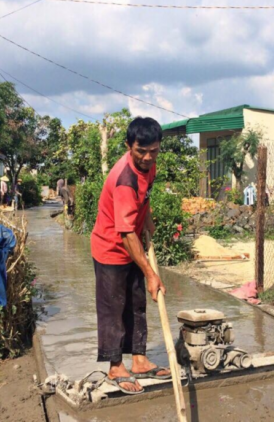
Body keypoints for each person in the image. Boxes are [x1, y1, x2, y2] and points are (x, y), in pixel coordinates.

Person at [90, 117, 170, 395]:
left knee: (136, 305)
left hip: (133, 241)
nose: (148, 157)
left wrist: (147, 218)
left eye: (154, 151)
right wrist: (151, 273)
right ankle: (115, 366)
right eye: (141, 151)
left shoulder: (150, 165)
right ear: (129, 146)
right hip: (111, 248)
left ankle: (139, 360)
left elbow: (144, 195)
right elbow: (124, 234)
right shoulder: (124, 179)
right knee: (114, 309)